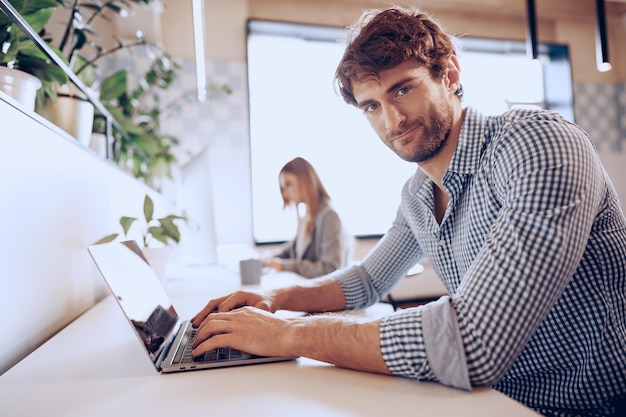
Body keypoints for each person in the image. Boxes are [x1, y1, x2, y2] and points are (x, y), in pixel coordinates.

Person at [191, 6, 626, 416]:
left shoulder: (536, 144)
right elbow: (366, 280)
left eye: (403, 88)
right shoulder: (417, 194)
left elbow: (472, 342)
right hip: (492, 400)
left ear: (449, 74)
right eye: (372, 105)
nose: (392, 120)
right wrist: (275, 299)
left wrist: (288, 334)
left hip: (592, 405)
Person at [262, 157, 352, 278]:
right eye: (283, 188)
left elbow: (330, 269)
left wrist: (284, 266)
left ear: (304, 181)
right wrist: (270, 258)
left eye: (288, 185)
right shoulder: (308, 215)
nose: (285, 194)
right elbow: (292, 249)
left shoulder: (329, 216)